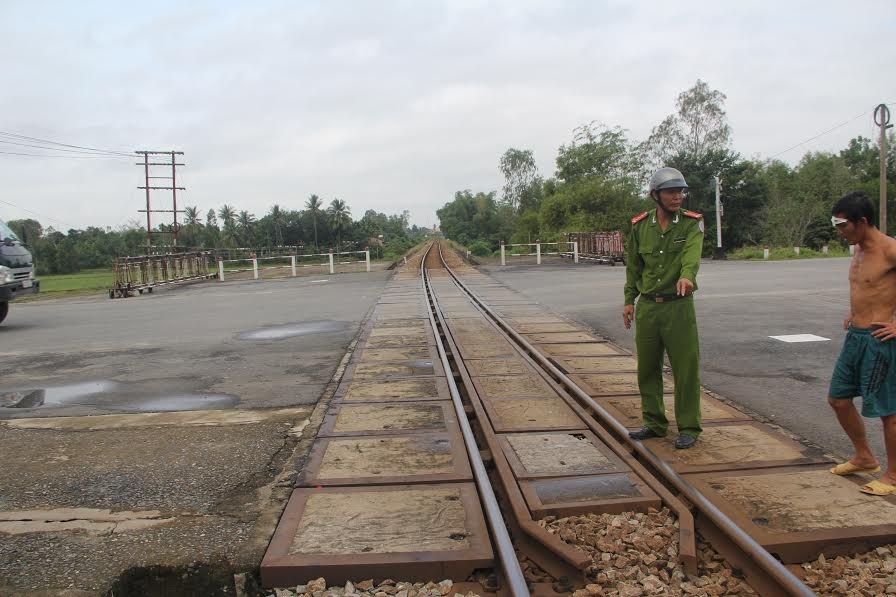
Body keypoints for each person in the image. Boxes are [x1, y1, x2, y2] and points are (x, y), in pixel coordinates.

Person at [623, 167, 704, 449]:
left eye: (680, 191)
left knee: (685, 368)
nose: (678, 197)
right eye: (671, 192)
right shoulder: (640, 226)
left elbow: (691, 256)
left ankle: (690, 427)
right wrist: (628, 301)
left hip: (678, 306)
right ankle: (655, 422)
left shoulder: (692, 224)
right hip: (648, 307)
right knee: (647, 368)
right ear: (655, 195)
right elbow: (633, 267)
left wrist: (687, 276)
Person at [826, 191, 896, 495]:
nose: (840, 232)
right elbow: (867, 288)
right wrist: (854, 313)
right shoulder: (857, 249)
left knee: (889, 412)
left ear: (862, 222)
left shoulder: (890, 250)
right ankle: (865, 457)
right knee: (838, 399)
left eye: (843, 226)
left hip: (879, 341)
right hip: (855, 336)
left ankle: (893, 476)